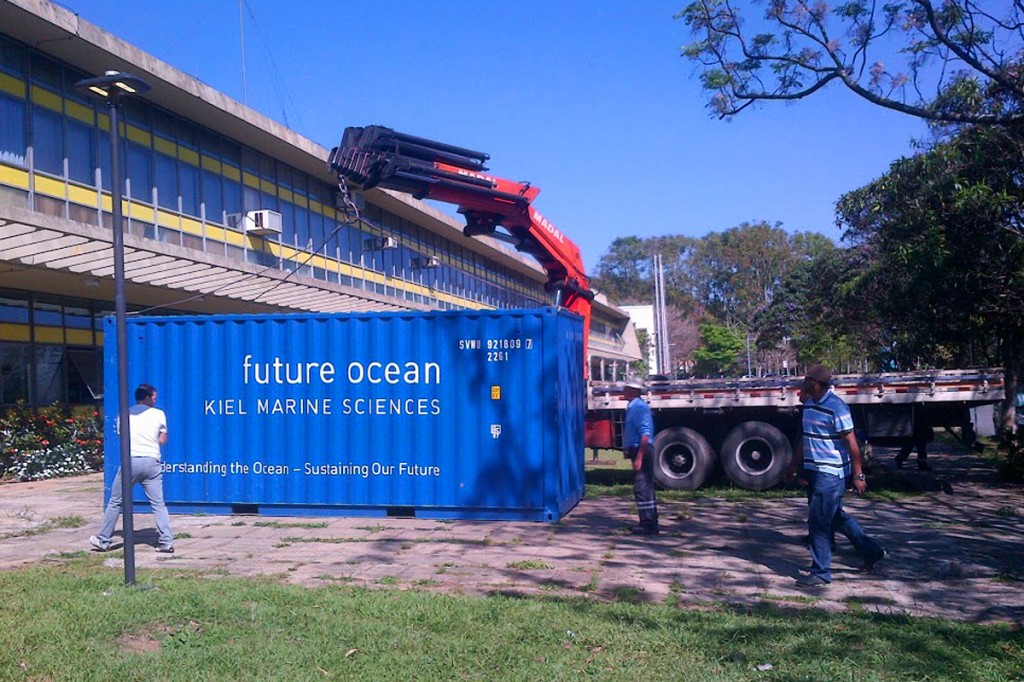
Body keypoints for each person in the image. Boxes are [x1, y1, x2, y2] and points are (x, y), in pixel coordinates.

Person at [784, 365, 885, 588]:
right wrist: (793, 465)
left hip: (831, 473)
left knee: (819, 522)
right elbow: (805, 438)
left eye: (806, 378)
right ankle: (873, 551)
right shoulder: (809, 404)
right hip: (814, 470)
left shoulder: (837, 407)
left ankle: (821, 573)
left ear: (815, 382)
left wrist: (858, 475)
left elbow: (852, 444)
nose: (803, 381)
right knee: (835, 517)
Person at [90, 383, 175, 554]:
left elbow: (123, 436)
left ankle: (104, 540)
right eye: (154, 398)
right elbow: (163, 439)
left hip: (131, 461)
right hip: (152, 461)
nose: (155, 401)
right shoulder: (159, 414)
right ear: (147, 397)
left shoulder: (124, 414)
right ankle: (166, 541)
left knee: (115, 502)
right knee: (158, 503)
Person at [622, 378, 658, 535]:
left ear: (633, 391)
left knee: (642, 487)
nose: (623, 391)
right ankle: (648, 521)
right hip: (637, 449)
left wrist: (639, 457)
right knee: (643, 486)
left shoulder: (638, 408)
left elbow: (645, 434)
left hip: (641, 450)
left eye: (626, 389)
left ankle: (648, 524)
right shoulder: (633, 407)